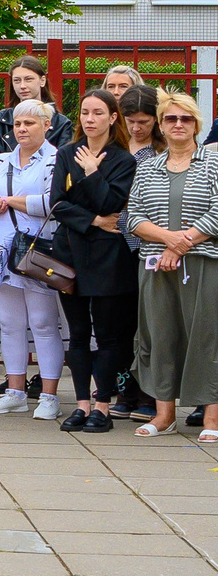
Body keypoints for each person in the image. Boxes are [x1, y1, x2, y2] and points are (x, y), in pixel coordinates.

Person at [124, 90, 218, 443]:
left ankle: (212, 415)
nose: (178, 124)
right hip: (155, 265)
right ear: (161, 125)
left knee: (206, 336)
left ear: (196, 124)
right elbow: (133, 216)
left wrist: (184, 243)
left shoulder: (213, 164)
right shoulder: (147, 166)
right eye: (171, 119)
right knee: (159, 335)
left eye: (186, 119)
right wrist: (169, 240)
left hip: (205, 265)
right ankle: (164, 415)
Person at [0, 100, 68, 422]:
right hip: (1, 251)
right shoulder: (0, 160)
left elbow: (53, 201)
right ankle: (14, 391)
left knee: (42, 322)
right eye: (17, 124)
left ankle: (49, 395)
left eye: (30, 123)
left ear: (46, 125)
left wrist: (8, 201)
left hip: (37, 251)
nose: (22, 129)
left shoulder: (56, 160)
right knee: (10, 323)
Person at [50, 87, 135, 435]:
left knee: (109, 334)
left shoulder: (123, 160)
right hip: (70, 252)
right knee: (78, 333)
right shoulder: (67, 152)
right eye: (85, 112)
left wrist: (90, 174)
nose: (90, 119)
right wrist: (94, 221)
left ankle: (103, 405)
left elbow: (111, 202)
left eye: (98, 113)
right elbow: (58, 203)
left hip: (108, 258)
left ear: (113, 118)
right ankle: (81, 403)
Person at [0, 56, 70, 160]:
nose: (22, 85)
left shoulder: (61, 124)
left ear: (42, 81)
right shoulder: (1, 120)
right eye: (17, 80)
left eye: (28, 79)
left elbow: (63, 162)